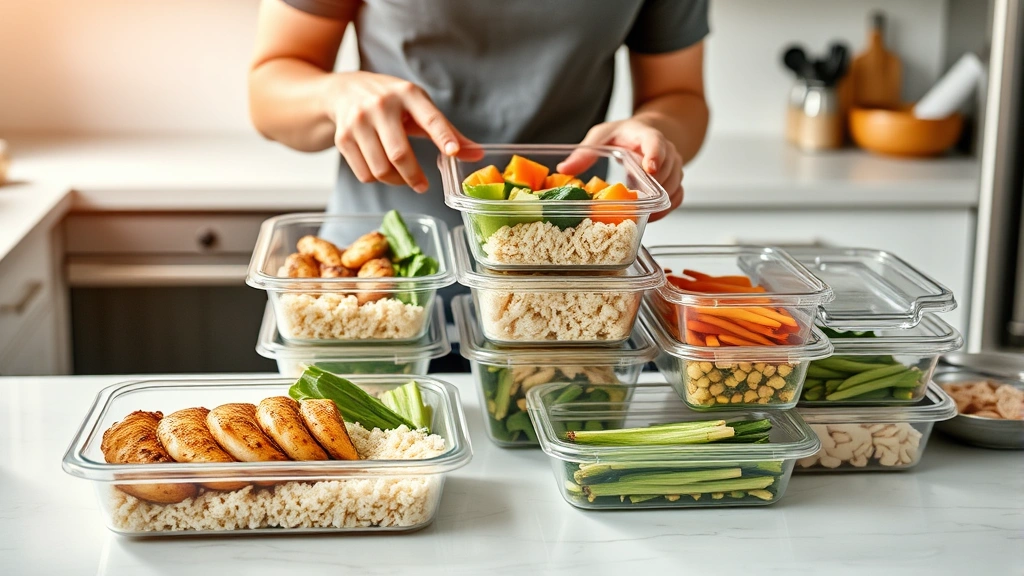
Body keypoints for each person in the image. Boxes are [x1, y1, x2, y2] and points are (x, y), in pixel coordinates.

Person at [248, 0, 710, 369]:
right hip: (375, 292)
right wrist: (336, 94)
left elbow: (679, 95)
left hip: (564, 298)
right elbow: (268, 93)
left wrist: (656, 132)